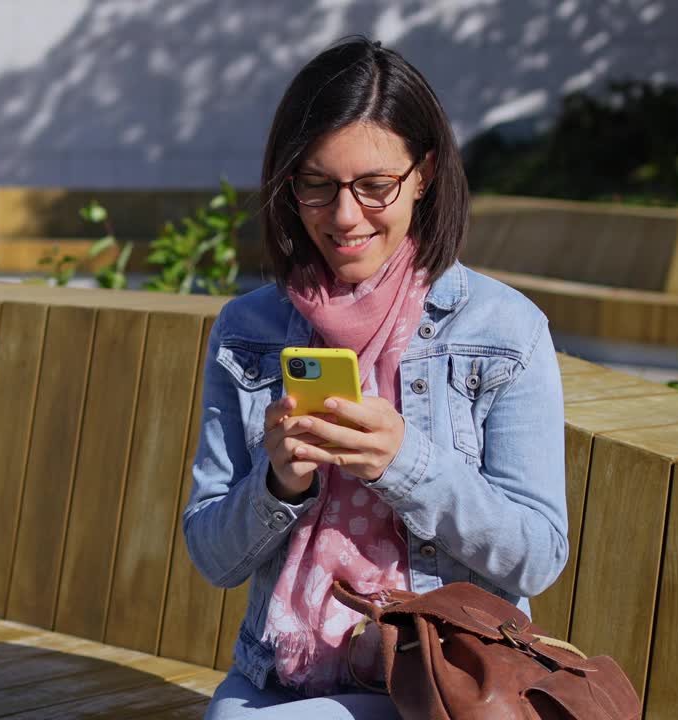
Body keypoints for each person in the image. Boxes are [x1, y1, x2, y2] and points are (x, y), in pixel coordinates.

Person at [185, 38, 568, 719]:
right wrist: (278, 484)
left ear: (422, 175)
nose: (344, 216)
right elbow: (213, 555)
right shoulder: (250, 329)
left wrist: (405, 463)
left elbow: (536, 557)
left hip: (444, 681)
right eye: (317, 184)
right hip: (283, 674)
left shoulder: (503, 330)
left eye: (374, 186)